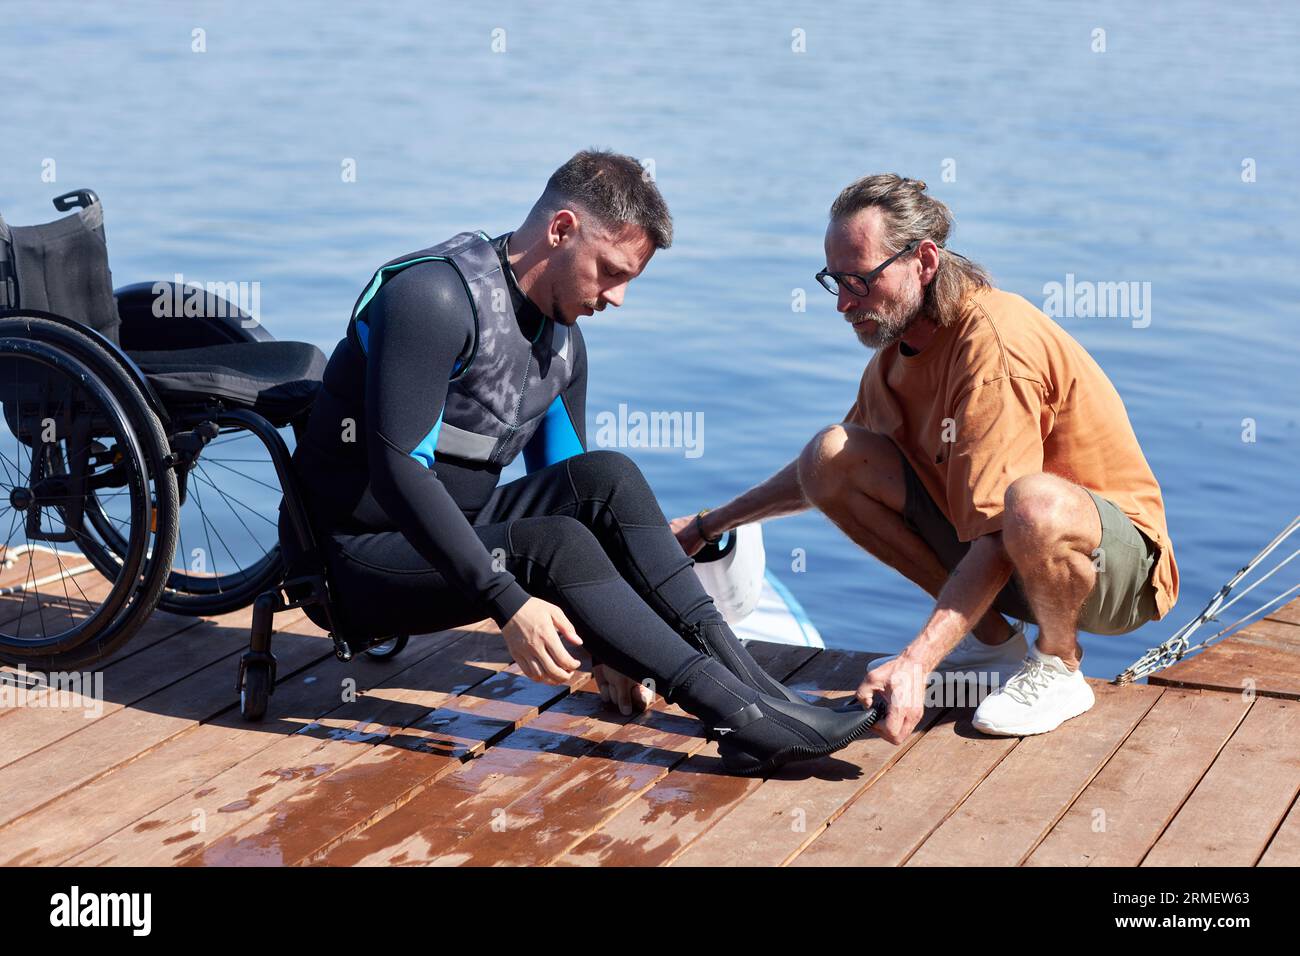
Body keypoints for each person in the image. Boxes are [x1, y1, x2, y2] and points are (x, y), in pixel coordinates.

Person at [281, 149, 881, 776]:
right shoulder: (432, 299)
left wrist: (610, 644)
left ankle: (765, 695)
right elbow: (398, 472)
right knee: (555, 543)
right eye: (610, 272)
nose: (617, 298)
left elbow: (579, 492)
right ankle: (742, 716)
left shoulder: (562, 337)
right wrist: (508, 601)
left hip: (453, 543)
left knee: (607, 477)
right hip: (350, 562)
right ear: (561, 230)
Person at [673, 173, 1179, 745]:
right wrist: (709, 524)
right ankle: (994, 646)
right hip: (1012, 554)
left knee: (1031, 503)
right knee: (829, 455)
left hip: (1108, 571)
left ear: (924, 262)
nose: (843, 304)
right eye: (834, 281)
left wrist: (916, 660)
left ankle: (1059, 666)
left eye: (861, 281)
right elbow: (820, 478)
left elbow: (998, 531)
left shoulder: (992, 346)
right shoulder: (899, 353)